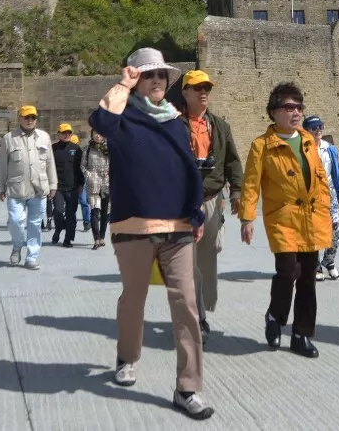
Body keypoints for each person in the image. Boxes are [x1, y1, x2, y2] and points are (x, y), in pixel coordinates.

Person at [88, 47, 213, 421]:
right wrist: (122, 85)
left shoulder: (176, 119)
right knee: (134, 299)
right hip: (134, 225)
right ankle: (127, 356)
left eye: (162, 76)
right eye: (148, 75)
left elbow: (188, 169)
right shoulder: (121, 116)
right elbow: (100, 123)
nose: (157, 81)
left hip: (178, 227)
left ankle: (188, 387)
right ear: (136, 79)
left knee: (187, 305)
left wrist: (196, 211)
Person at [239, 81, 333, 359]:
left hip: (312, 217)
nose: (296, 112)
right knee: (288, 271)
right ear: (273, 111)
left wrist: (327, 208)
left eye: (299, 107)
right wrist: (247, 218)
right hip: (283, 219)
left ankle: (301, 334)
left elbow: (319, 178)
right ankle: (275, 316)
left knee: (308, 279)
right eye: (289, 107)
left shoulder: (307, 140)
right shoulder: (262, 146)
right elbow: (251, 184)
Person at [169, 69, 244, 341]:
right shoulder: (174, 125)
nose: (203, 92)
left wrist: (237, 193)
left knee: (209, 255)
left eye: (207, 88)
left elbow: (233, 162)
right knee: (186, 263)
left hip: (213, 199)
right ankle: (195, 317)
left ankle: (202, 307)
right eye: (197, 87)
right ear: (185, 92)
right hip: (182, 202)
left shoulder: (220, 127)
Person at [0, 105, 57, 270]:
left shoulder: (44, 137)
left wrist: (53, 184)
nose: (30, 120)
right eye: (26, 117)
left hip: (39, 188)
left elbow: (50, 162)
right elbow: (1, 165)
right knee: (16, 221)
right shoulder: (9, 138)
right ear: (20, 118)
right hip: (17, 189)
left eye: (33, 117)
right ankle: (17, 245)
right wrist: (0, 186)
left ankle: (32, 256)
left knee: (35, 224)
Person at [305, 116, 339, 282]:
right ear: (306, 131)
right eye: (314, 128)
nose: (318, 130)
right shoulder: (302, 150)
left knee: (336, 228)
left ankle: (329, 261)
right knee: (313, 231)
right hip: (311, 197)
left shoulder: (330, 149)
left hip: (330, 194)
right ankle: (315, 265)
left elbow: (336, 170)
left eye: (320, 126)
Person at [52, 124, 85, 247]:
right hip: (58, 187)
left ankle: (68, 239)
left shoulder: (76, 149)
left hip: (73, 187)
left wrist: (81, 184)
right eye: (64, 132)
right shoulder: (53, 149)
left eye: (68, 133)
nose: (66, 135)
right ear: (59, 134)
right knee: (58, 212)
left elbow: (81, 168)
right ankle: (58, 229)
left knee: (71, 214)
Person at [83, 131, 111, 249]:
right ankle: (96, 239)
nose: (98, 136)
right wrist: (88, 175)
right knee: (94, 211)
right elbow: (82, 165)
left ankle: (102, 237)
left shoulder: (110, 148)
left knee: (105, 212)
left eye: (100, 133)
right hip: (93, 184)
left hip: (106, 184)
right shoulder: (87, 149)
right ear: (92, 134)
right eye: (95, 133)